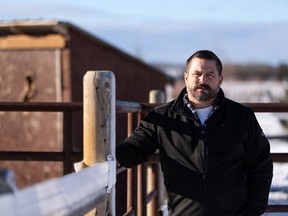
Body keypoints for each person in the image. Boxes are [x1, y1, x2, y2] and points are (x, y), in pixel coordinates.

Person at [116, 50, 273, 216]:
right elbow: (135, 146)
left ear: (220, 79)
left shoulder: (241, 117)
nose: (202, 80)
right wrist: (109, 157)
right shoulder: (162, 117)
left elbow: (261, 164)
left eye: (210, 75)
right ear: (186, 77)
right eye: (197, 74)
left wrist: (252, 211)